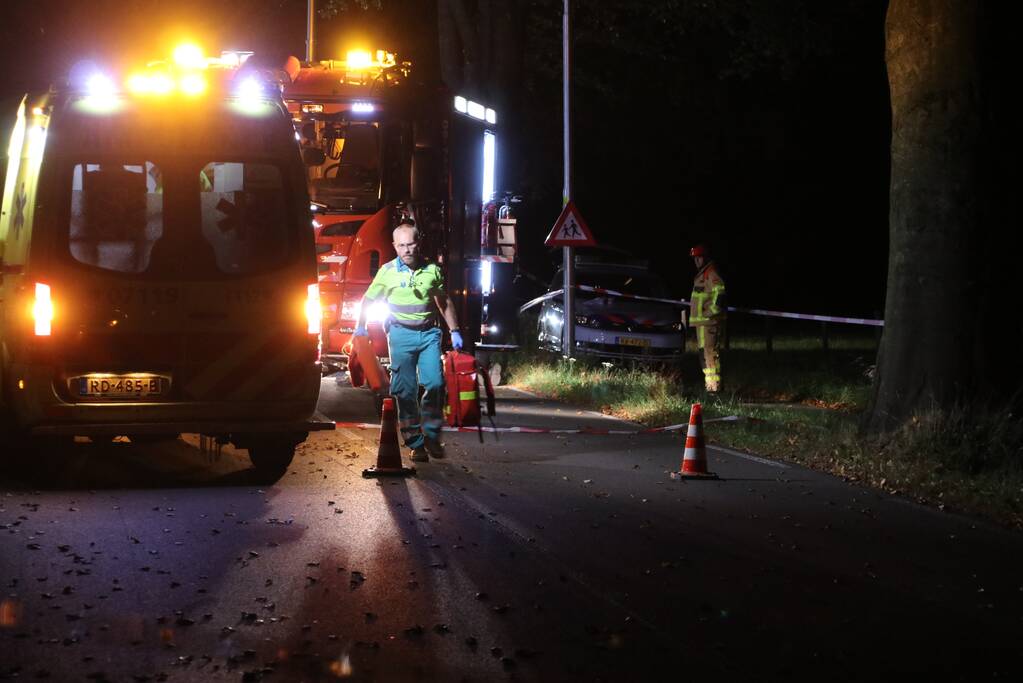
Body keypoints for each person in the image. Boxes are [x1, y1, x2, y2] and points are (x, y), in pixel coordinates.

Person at [354, 224, 462, 462]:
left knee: (434, 383)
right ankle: (415, 442)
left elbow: (443, 302)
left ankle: (432, 434)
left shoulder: (432, 270)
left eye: (411, 244)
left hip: (429, 334)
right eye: (401, 245)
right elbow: (367, 301)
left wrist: (454, 330)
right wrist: (360, 327)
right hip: (400, 335)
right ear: (395, 247)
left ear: (418, 242)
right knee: (405, 391)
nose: (407, 249)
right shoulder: (386, 272)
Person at [689, 244, 726, 392]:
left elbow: (720, 294)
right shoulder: (702, 275)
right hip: (702, 324)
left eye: (698, 258)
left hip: (709, 323)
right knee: (704, 355)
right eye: (695, 258)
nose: (696, 261)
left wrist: (711, 312)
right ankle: (710, 386)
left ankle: (715, 388)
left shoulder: (711, 274)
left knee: (711, 354)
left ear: (705, 258)